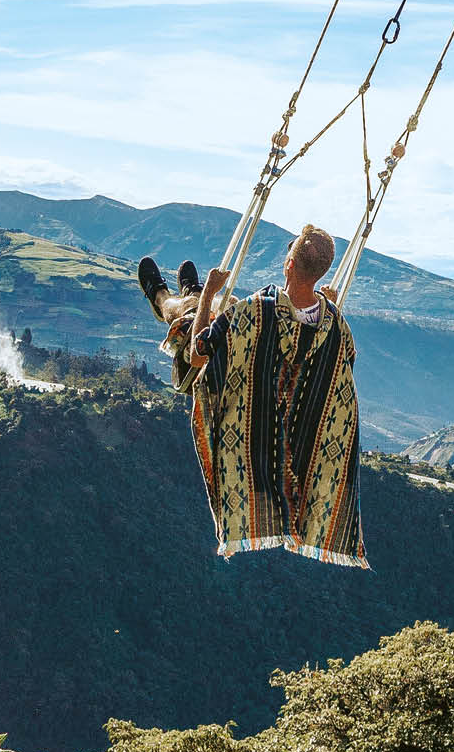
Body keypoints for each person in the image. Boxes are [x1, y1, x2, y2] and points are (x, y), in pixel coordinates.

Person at [137, 226, 368, 567]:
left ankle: (165, 296)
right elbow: (343, 362)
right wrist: (330, 309)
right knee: (225, 304)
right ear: (322, 274)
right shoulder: (336, 326)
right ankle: (192, 289)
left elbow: (199, 353)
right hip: (291, 435)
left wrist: (207, 296)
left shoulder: (254, 312)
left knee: (187, 317)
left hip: (238, 406)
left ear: (288, 265)